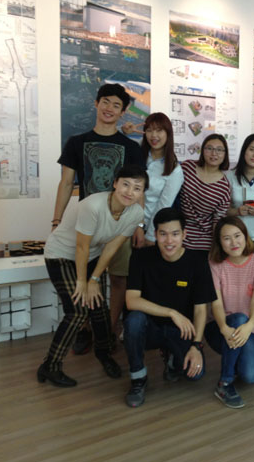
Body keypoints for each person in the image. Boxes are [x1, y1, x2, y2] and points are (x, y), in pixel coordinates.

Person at [52, 83, 144, 355]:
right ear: (96, 103)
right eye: (105, 102)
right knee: (84, 278)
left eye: (116, 105)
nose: (109, 109)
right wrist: (56, 222)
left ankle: (109, 330)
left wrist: (139, 225)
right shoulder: (76, 142)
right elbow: (66, 184)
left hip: (120, 225)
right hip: (87, 226)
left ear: (123, 112)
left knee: (118, 280)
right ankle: (84, 329)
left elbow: (139, 188)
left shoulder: (131, 147)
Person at [37, 165, 147, 388]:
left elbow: (111, 247)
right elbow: (81, 246)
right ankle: (51, 365)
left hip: (92, 256)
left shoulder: (136, 213)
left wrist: (94, 279)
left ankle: (104, 354)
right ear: (115, 183)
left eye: (137, 188)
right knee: (78, 311)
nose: (130, 192)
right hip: (61, 254)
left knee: (98, 307)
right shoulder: (93, 206)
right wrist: (82, 282)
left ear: (142, 193)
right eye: (125, 184)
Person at [123, 208, 216, 407]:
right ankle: (138, 378)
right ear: (155, 234)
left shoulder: (198, 262)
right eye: (163, 234)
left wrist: (196, 346)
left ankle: (172, 358)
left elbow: (201, 309)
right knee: (134, 320)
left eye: (175, 234)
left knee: (195, 375)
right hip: (150, 328)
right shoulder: (141, 257)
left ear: (184, 234)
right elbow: (132, 300)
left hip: (181, 330)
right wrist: (172, 313)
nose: (169, 241)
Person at [205, 216, 254, 408]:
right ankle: (224, 383)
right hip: (219, 326)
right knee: (239, 318)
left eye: (237, 236)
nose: (234, 242)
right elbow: (216, 304)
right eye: (227, 238)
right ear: (219, 242)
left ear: (245, 236)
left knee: (252, 376)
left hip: (249, 327)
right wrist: (224, 328)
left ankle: (235, 358)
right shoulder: (214, 264)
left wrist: (249, 326)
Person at [131, 112, 184, 249]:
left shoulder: (174, 169)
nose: (153, 135)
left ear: (168, 133)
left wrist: (149, 236)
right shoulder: (137, 152)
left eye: (159, 130)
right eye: (149, 130)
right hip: (125, 222)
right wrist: (124, 130)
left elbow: (163, 205)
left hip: (149, 227)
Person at [178, 134, 231, 252]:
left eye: (219, 150)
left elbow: (218, 220)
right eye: (209, 148)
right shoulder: (187, 167)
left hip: (204, 241)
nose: (214, 153)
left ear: (225, 154)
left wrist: (216, 248)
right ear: (202, 150)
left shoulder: (224, 187)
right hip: (178, 235)